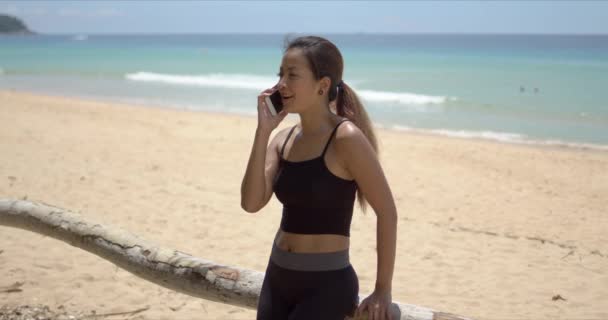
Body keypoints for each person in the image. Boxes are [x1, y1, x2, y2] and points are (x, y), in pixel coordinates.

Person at [240, 35, 398, 320]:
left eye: (292, 75)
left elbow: (387, 212)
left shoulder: (345, 138)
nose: (281, 85)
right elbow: (251, 203)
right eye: (280, 75)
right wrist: (263, 131)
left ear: (322, 86)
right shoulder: (282, 139)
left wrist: (382, 290)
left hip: (326, 285)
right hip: (277, 277)